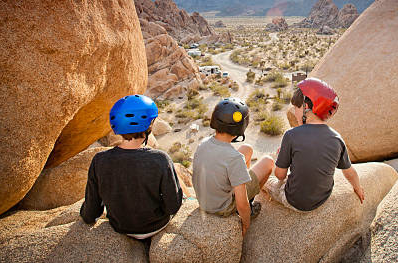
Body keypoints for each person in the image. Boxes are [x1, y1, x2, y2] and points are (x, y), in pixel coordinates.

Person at [80, 94, 183, 240]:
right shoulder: (160, 159)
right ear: (149, 125)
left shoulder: (100, 161)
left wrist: (87, 217)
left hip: (121, 227)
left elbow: (92, 208)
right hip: (155, 225)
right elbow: (173, 205)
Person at [265, 78, 365, 212]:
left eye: (296, 108)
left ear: (306, 107)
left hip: (295, 201)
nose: (295, 113)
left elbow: (280, 176)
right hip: (322, 199)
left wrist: (279, 158)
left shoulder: (291, 135)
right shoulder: (336, 138)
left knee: (266, 181)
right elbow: (349, 172)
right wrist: (357, 188)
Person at [192, 98, 274, 237]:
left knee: (247, 149)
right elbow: (241, 203)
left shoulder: (203, 143)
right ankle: (251, 201)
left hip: (206, 200)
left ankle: (241, 180)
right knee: (268, 162)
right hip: (222, 207)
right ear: (241, 127)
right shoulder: (234, 158)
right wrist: (245, 224)